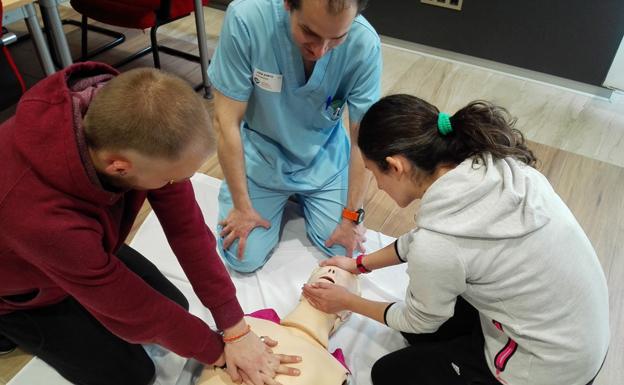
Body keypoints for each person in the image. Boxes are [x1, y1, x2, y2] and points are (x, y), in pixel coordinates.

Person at [0, 62, 299, 385]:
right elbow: (126, 305)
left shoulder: (136, 124)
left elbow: (187, 230)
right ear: (119, 168)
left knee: (176, 307)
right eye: (172, 178)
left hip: (81, 250)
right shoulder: (39, 217)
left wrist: (234, 325)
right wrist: (219, 352)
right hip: (21, 288)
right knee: (131, 375)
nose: (178, 183)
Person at [302, 94, 610, 385]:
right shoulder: (497, 169)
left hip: (548, 369)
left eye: (373, 173)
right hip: (577, 337)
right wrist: (359, 265)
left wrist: (347, 302)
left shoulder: (439, 245)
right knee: (427, 323)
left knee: (388, 373)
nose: (377, 186)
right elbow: (429, 240)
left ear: (395, 165)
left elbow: (419, 316)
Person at [208, 0, 382, 272]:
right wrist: (242, 207)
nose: (321, 51)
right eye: (309, 33)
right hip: (261, 157)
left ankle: (299, 197)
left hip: (324, 159)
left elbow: (363, 140)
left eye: (337, 38)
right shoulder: (247, 20)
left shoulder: (364, 44)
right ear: (289, 4)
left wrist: (352, 216)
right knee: (242, 256)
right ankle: (273, 196)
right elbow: (225, 122)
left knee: (342, 250)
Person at [197, 265, 359, 385]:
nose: (331, 272)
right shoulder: (244, 325)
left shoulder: (336, 369)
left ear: (346, 314)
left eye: (344, 278)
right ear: (303, 289)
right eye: (326, 268)